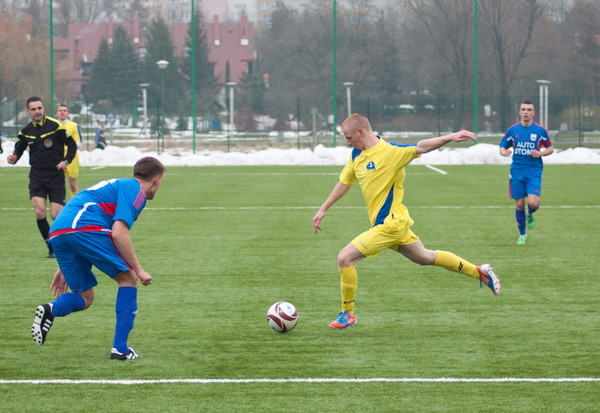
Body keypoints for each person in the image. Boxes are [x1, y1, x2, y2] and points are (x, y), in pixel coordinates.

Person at [312, 113, 501, 330]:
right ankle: (479, 271)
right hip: (393, 223)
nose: (347, 142)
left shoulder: (391, 152)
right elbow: (345, 182)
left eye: (348, 137)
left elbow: (421, 146)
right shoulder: (357, 154)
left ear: (361, 132)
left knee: (345, 258)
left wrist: (449, 137)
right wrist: (323, 208)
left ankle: (348, 314)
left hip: (390, 225)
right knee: (425, 257)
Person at [31, 156, 166, 360]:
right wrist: (138, 269)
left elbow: (73, 222)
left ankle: (51, 309)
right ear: (156, 179)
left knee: (85, 297)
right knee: (128, 279)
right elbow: (119, 233)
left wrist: (63, 267)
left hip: (59, 231)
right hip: (85, 227)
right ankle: (120, 349)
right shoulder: (135, 190)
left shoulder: (117, 185)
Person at [7, 97, 77, 258]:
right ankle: (51, 247)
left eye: (39, 108)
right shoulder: (25, 131)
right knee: (39, 212)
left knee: (55, 215)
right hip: (37, 175)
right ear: (28, 111)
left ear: (43, 109)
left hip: (55, 175)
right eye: (33, 109)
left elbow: (72, 145)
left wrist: (66, 161)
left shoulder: (56, 126)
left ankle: (67, 242)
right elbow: (18, 149)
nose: (37, 112)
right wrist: (13, 158)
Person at [499, 101, 554, 245]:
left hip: (534, 171)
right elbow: (502, 146)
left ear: (533, 113)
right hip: (517, 171)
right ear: (519, 112)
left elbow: (550, 148)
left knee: (533, 203)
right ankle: (522, 234)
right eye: (523, 109)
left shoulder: (540, 131)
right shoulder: (512, 130)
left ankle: (530, 213)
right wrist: (504, 151)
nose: (526, 112)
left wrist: (540, 153)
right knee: (519, 205)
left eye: (529, 110)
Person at [55, 104, 83, 196]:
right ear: (57, 113)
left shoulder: (74, 125)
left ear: (67, 113)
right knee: (58, 182)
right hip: (57, 156)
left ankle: (75, 200)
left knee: (72, 183)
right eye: (60, 110)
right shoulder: (53, 125)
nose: (62, 112)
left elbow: (79, 142)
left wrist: (69, 146)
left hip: (71, 157)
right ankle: (60, 201)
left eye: (64, 110)